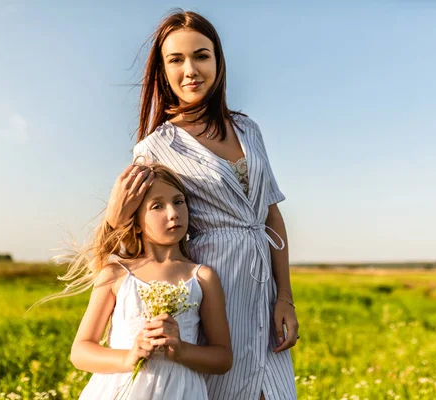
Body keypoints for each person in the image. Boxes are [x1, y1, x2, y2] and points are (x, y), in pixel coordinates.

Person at [105, 10, 299, 400]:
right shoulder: (154, 148)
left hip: (263, 291)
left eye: (201, 55)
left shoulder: (248, 129)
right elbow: (136, 230)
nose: (190, 69)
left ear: (218, 61)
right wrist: (114, 214)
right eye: (176, 60)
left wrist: (285, 297)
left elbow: (270, 212)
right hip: (213, 286)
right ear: (162, 71)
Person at [40, 163, 232, 400]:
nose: (173, 213)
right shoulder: (116, 273)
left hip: (180, 392)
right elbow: (80, 352)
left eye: (179, 201)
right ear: (137, 222)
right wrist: (129, 356)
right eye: (157, 206)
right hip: (119, 391)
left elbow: (222, 359)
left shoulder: (202, 277)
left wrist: (181, 350)